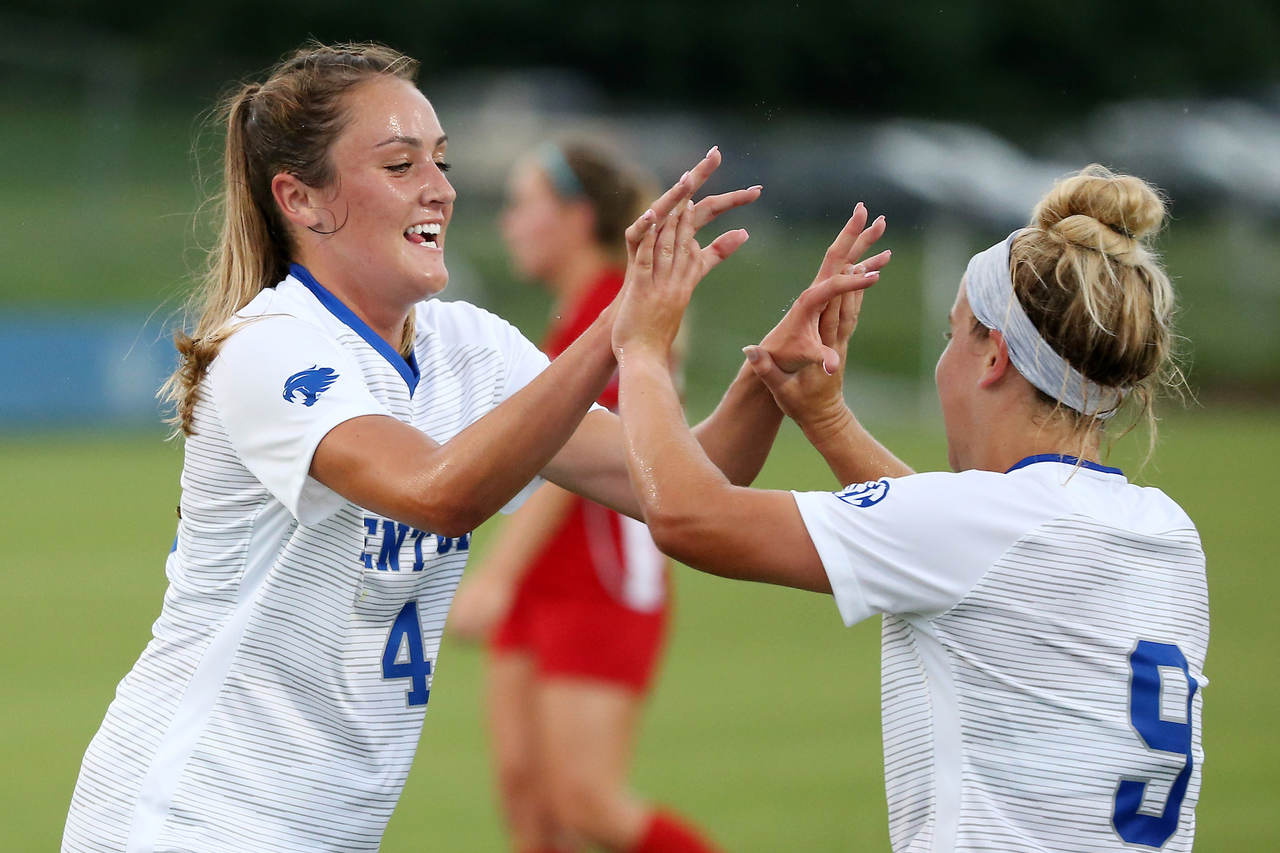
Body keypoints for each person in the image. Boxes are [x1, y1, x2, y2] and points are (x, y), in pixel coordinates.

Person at [58, 42, 854, 853]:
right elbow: (435, 491)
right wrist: (618, 332)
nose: (439, 187)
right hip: (190, 816)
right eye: (400, 164)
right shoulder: (270, 347)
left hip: (321, 828)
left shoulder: (468, 344)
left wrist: (771, 375)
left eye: (439, 160)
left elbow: (692, 479)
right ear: (301, 198)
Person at [609, 165, 1207, 852]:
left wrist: (643, 348)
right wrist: (828, 421)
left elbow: (689, 515)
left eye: (955, 336)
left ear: (994, 360)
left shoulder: (980, 526)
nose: (944, 361)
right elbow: (971, 567)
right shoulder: (1166, 531)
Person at [449, 141, 701, 853]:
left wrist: (494, 574)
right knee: (528, 804)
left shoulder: (621, 312)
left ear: (575, 216)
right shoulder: (568, 321)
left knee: (586, 803)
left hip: (601, 578)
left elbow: (575, 461)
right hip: (542, 580)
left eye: (524, 205)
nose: (508, 224)